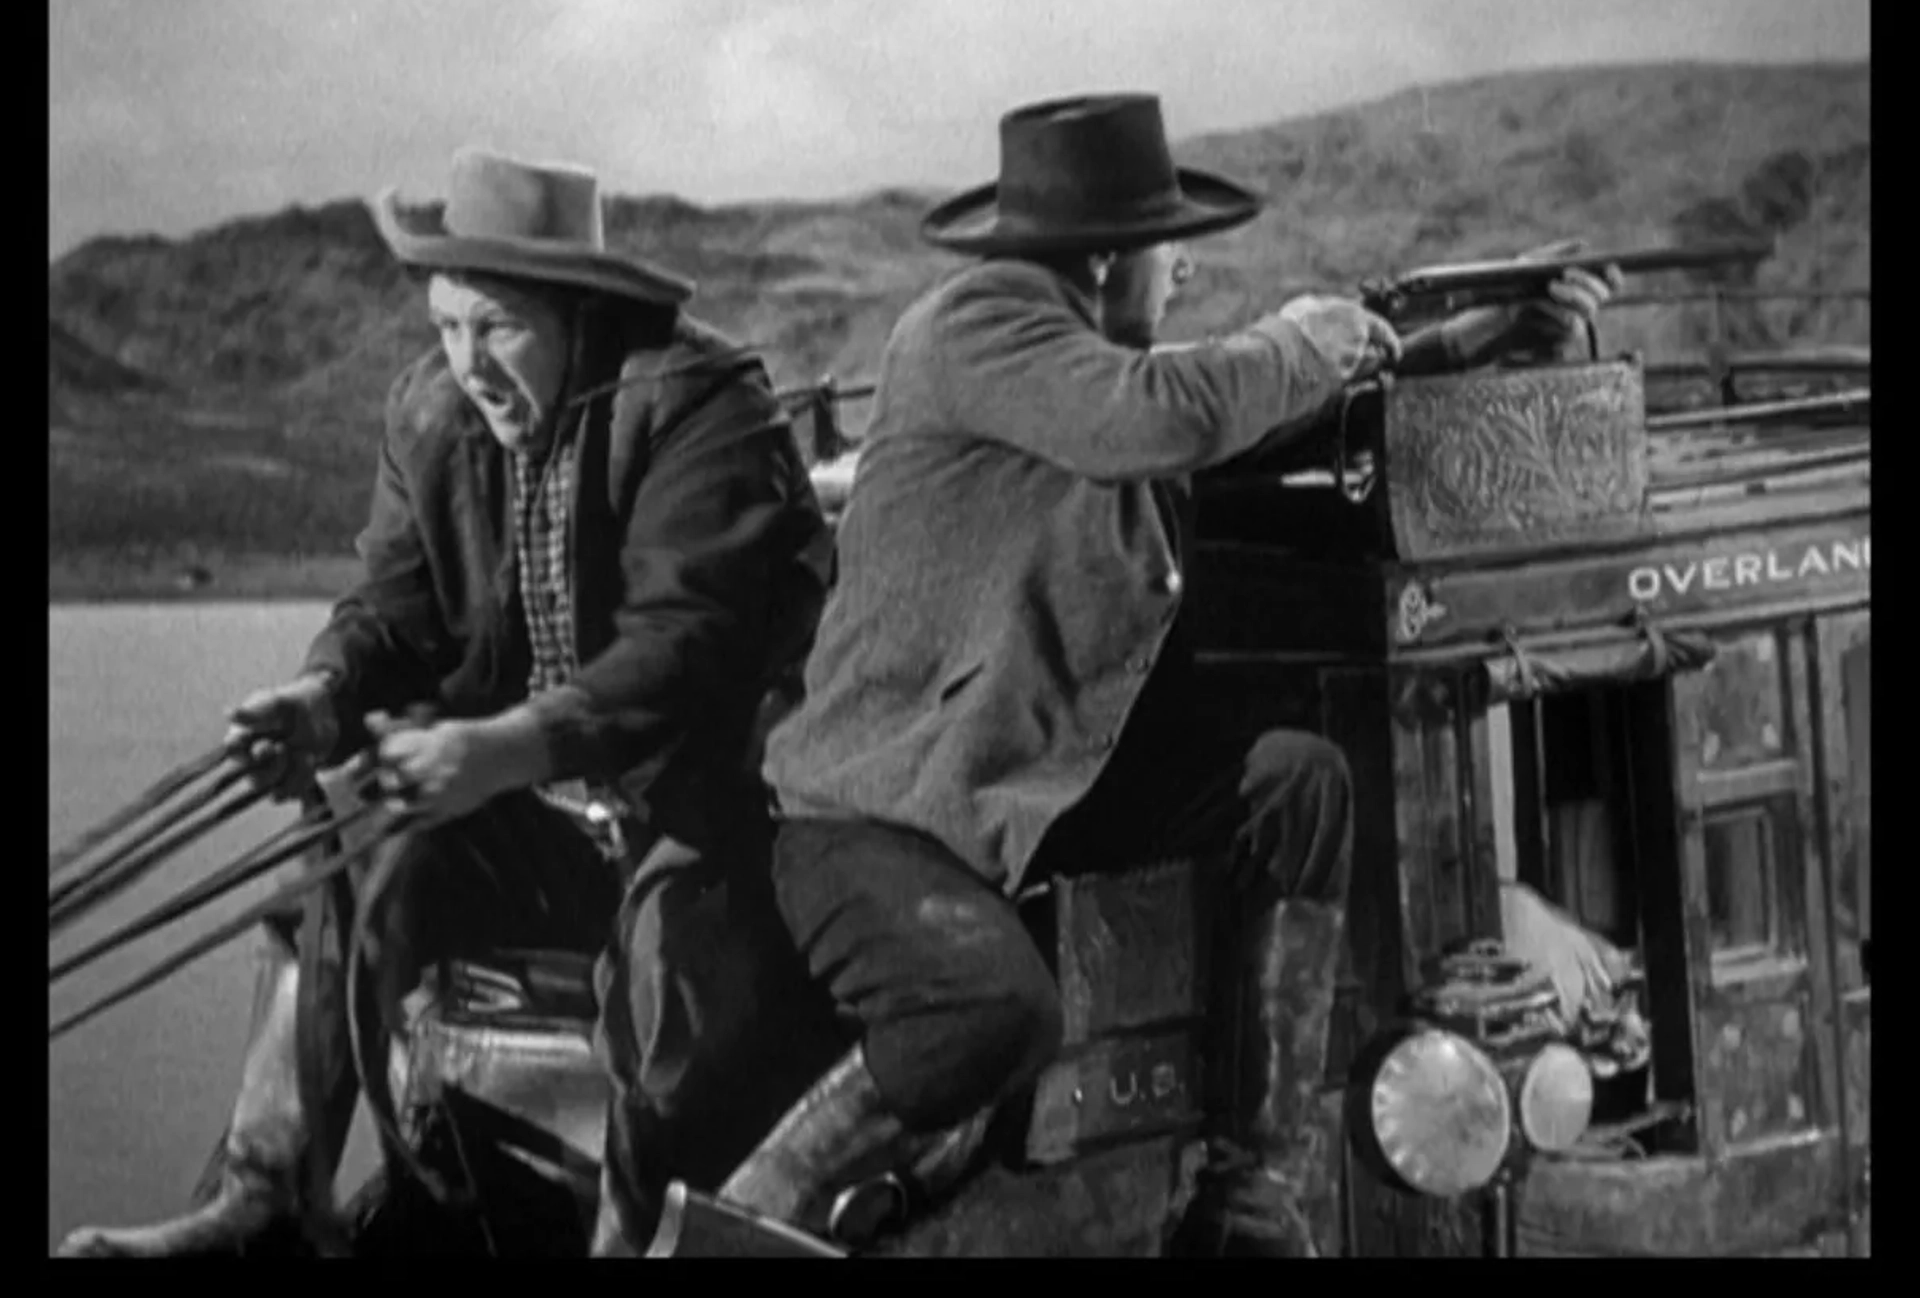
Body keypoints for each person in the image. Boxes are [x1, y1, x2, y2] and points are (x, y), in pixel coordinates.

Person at [706, 93, 1621, 1256]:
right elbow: (1165, 415)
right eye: (1171, 247)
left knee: (1299, 790)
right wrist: (1299, 339)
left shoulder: (1083, 361)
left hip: (1029, 793)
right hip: (882, 821)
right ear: (1104, 257)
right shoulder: (977, 326)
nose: (1184, 276)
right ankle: (743, 1221)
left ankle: (1251, 1194)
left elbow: (1246, 426)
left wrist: (1465, 344)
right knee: (993, 1013)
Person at [56, 148, 842, 1258]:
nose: (468, 362)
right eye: (448, 326)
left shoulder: (700, 409)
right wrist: (321, 703)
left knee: (675, 1012)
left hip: (717, 819)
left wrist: (502, 749)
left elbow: (684, 656)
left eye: (499, 328)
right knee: (348, 816)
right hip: (553, 824)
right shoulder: (430, 411)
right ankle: (268, 1192)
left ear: (579, 311)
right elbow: (390, 612)